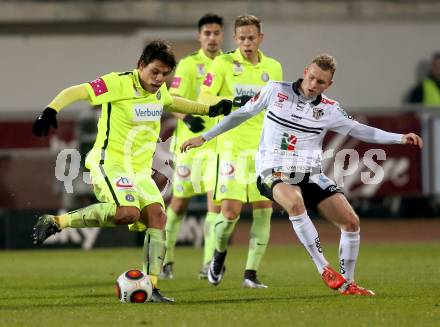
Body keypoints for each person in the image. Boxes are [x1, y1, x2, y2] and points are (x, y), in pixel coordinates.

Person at [181, 54, 423, 295]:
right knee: (295, 203)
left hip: (310, 173)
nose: (313, 85)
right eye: (311, 77)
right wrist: (204, 137)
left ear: (328, 85)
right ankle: (324, 269)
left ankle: (347, 284)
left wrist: (400, 138)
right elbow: (240, 114)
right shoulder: (275, 90)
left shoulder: (330, 109)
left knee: (351, 222)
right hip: (272, 170)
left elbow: (361, 130)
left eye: (320, 82)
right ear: (305, 71)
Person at [31, 40, 232, 303]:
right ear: (140, 66)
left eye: (165, 74)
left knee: (158, 216)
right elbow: (77, 91)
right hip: (110, 162)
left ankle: (153, 288)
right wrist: (51, 109)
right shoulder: (118, 83)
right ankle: (57, 222)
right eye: (155, 72)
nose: (159, 79)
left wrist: (209, 109)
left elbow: (174, 102)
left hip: (139, 170)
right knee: (128, 213)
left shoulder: (159, 92)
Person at [197, 15, 283, 288]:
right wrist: (232, 100)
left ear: (260, 38)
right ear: (235, 39)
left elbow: (277, 107)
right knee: (230, 213)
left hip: (262, 150)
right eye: (242, 38)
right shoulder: (222, 64)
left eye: (252, 38)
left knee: (264, 209)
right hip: (231, 148)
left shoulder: (273, 67)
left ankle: (251, 274)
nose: (247, 43)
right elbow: (204, 98)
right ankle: (218, 254)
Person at [161, 14, 225, 280]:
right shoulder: (188, 65)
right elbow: (171, 99)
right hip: (189, 145)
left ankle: (208, 264)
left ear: (222, 36)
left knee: (216, 205)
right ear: (199, 37)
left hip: (218, 145)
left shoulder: (229, 64)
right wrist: (187, 117)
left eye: (216, 33)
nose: (212, 37)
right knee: (178, 204)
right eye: (207, 33)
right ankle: (166, 259)